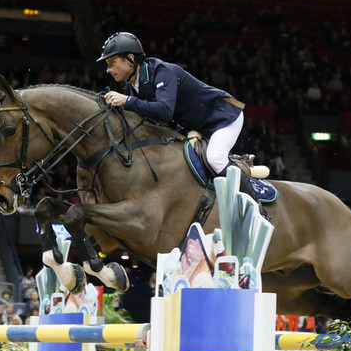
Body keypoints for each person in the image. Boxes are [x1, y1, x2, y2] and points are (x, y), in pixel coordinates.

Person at [99, 32, 269, 218]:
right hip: (196, 126)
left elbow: (164, 111)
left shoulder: (163, 71)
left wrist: (128, 101)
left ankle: (258, 210)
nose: (108, 69)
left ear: (130, 59)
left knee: (215, 157)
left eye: (111, 62)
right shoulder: (131, 87)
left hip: (223, 117)